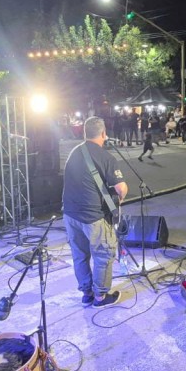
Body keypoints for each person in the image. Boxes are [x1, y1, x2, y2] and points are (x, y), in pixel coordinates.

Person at [62, 116, 128, 307]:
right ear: (103, 134)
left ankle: (87, 293)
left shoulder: (73, 152)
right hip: (93, 216)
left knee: (80, 255)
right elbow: (121, 188)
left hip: (70, 214)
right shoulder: (105, 156)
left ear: (84, 133)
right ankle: (100, 296)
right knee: (104, 254)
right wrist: (120, 198)